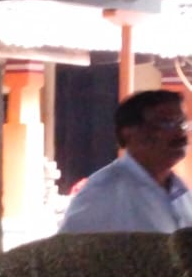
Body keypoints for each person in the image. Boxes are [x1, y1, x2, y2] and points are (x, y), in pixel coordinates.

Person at [60, 89, 192, 234]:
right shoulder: (105, 190)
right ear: (129, 134)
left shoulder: (181, 191)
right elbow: (68, 246)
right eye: (166, 123)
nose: (180, 133)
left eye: (182, 123)